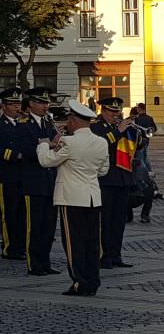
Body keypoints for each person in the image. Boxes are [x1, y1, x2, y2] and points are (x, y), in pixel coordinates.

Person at [35, 101, 108, 296]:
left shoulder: (70, 142)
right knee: (92, 243)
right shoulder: (101, 142)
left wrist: (43, 145)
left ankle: (80, 283)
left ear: (74, 121)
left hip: (71, 198)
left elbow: (46, 161)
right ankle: (92, 281)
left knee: (74, 243)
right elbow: (103, 170)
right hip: (93, 197)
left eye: (69, 120)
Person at [15, 89, 60, 275]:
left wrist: (55, 142)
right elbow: (24, 150)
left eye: (46, 103)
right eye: (41, 103)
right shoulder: (24, 124)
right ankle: (34, 264)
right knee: (34, 226)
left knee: (49, 227)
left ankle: (45, 262)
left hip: (50, 182)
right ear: (31, 104)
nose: (45, 106)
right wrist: (46, 145)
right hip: (33, 182)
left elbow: (54, 144)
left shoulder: (48, 123)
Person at [91, 97, 136, 270]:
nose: (115, 115)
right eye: (111, 111)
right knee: (106, 220)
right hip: (106, 179)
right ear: (103, 111)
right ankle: (104, 256)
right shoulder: (96, 127)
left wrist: (134, 133)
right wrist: (118, 131)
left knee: (119, 221)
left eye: (117, 111)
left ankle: (116, 254)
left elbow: (135, 148)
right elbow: (101, 144)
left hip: (122, 179)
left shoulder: (121, 128)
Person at [0, 88, 26, 260]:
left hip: (23, 175)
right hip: (6, 174)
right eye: (12, 104)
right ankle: (9, 247)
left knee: (22, 214)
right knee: (8, 213)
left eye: (18, 104)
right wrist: (15, 155)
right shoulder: (1, 124)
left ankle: (20, 245)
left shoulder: (23, 123)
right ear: (3, 106)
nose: (17, 107)